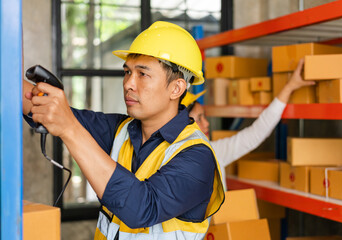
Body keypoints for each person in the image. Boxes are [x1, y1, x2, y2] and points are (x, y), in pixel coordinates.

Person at [22, 21, 225, 240]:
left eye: (142, 74)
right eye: (127, 72)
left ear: (176, 88)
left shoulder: (197, 157)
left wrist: (70, 128)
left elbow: (142, 208)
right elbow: (44, 107)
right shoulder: (120, 130)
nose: (128, 83)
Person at [182, 59, 315, 188]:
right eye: (199, 118)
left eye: (204, 116)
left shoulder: (213, 152)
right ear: (182, 124)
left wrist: (289, 87)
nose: (206, 123)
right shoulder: (172, 162)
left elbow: (256, 132)